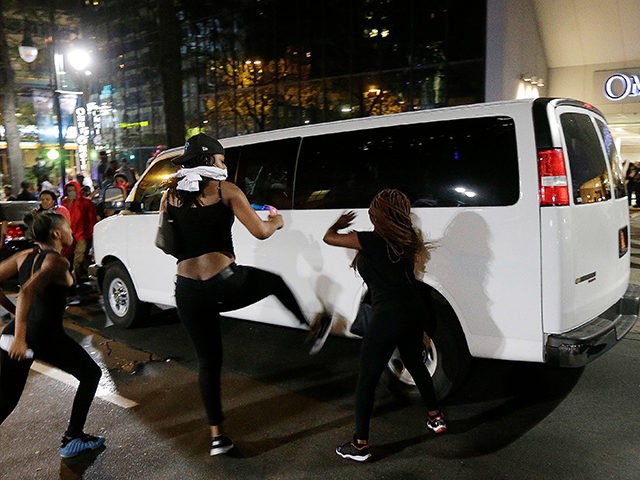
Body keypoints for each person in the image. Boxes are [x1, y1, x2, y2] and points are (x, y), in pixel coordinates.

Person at [163, 133, 330, 456]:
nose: (224, 165)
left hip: (186, 291)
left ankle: (217, 437)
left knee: (208, 363)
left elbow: (170, 245)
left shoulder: (170, 195)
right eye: (222, 160)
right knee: (274, 282)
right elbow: (261, 232)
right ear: (211, 159)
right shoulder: (226, 190)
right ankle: (313, 327)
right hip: (223, 282)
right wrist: (278, 222)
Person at [323, 189, 446, 462]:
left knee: (367, 379)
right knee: (415, 363)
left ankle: (360, 444)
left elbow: (328, 238)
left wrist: (338, 224)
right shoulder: (409, 238)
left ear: (377, 213)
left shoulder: (370, 240)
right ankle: (435, 417)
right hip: (413, 310)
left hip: (386, 316)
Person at [0, 212, 105, 458]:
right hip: (38, 338)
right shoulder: (58, 262)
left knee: (5, 401)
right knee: (91, 374)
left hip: (23, 336)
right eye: (68, 226)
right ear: (57, 233)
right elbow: (27, 291)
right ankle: (73, 437)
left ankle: (75, 436)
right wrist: (20, 336)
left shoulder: (24, 256)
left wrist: (14, 316)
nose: (71, 231)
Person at [61, 181, 97, 282]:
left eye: (73, 190)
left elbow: (91, 219)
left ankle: (77, 280)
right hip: (69, 234)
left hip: (83, 235)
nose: (71, 193)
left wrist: (91, 234)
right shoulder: (64, 203)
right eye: (68, 191)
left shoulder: (86, 203)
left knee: (79, 257)